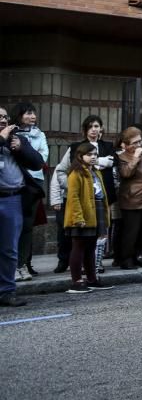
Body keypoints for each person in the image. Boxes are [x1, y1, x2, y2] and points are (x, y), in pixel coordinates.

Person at [50, 115, 117, 274]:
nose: (94, 129)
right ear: (85, 129)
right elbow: (61, 170)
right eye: (91, 126)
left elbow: (113, 162)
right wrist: (72, 187)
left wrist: (102, 161)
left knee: (99, 236)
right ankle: (72, 270)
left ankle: (95, 267)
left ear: (101, 128)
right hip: (80, 199)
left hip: (100, 198)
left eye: (97, 126)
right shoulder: (75, 147)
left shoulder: (107, 145)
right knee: (77, 238)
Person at [0, 106, 44, 307]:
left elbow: (37, 163)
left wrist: (22, 148)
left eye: (5, 117)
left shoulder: (16, 138)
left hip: (12, 199)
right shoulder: (3, 138)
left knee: (9, 249)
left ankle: (7, 292)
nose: (2, 120)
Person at [63, 143, 114, 294]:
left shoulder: (95, 172)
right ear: (80, 156)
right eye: (89, 155)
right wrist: (78, 217)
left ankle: (92, 279)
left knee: (91, 247)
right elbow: (73, 197)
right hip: (82, 213)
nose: (93, 157)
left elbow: (101, 194)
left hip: (95, 211)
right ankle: (76, 281)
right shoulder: (76, 173)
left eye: (95, 155)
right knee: (78, 246)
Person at [11, 102, 47, 282]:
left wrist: (25, 151)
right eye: (28, 113)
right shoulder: (11, 134)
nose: (32, 116)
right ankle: (12, 265)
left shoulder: (40, 134)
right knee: (13, 226)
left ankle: (22, 264)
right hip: (17, 181)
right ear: (19, 115)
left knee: (27, 225)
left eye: (34, 113)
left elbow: (42, 157)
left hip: (34, 181)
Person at [116, 127, 142, 269]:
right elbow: (126, 173)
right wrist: (135, 158)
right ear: (126, 144)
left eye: (139, 141)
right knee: (131, 232)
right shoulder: (121, 157)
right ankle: (126, 259)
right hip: (131, 199)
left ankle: (140, 256)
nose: (138, 145)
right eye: (134, 143)